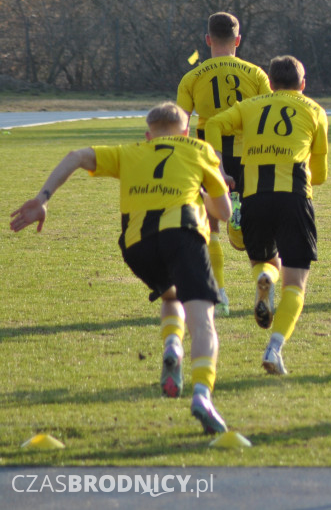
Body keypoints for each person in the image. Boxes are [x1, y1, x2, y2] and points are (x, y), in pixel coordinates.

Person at [9, 102, 232, 434]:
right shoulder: (199, 150)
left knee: (171, 295)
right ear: (185, 132)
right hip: (183, 235)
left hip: (136, 246)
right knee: (203, 322)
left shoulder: (130, 152)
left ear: (148, 135)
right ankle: (202, 394)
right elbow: (225, 212)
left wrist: (43, 199)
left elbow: (75, 155)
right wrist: (204, 194)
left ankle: (172, 344)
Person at [204, 55, 328, 376]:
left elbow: (215, 123)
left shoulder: (251, 105)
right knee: (296, 285)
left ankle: (265, 278)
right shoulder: (314, 110)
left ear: (270, 84)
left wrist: (219, 166)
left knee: (265, 261)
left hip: (254, 197)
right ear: (303, 84)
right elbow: (322, 174)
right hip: (294, 199)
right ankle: (274, 348)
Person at [176, 12, 272, 316]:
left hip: (210, 154)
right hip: (248, 154)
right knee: (256, 228)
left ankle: (220, 295)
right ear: (238, 40)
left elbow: (180, 127)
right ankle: (259, 267)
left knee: (210, 226)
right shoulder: (256, 73)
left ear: (208, 40)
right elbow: (267, 117)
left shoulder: (192, 77)